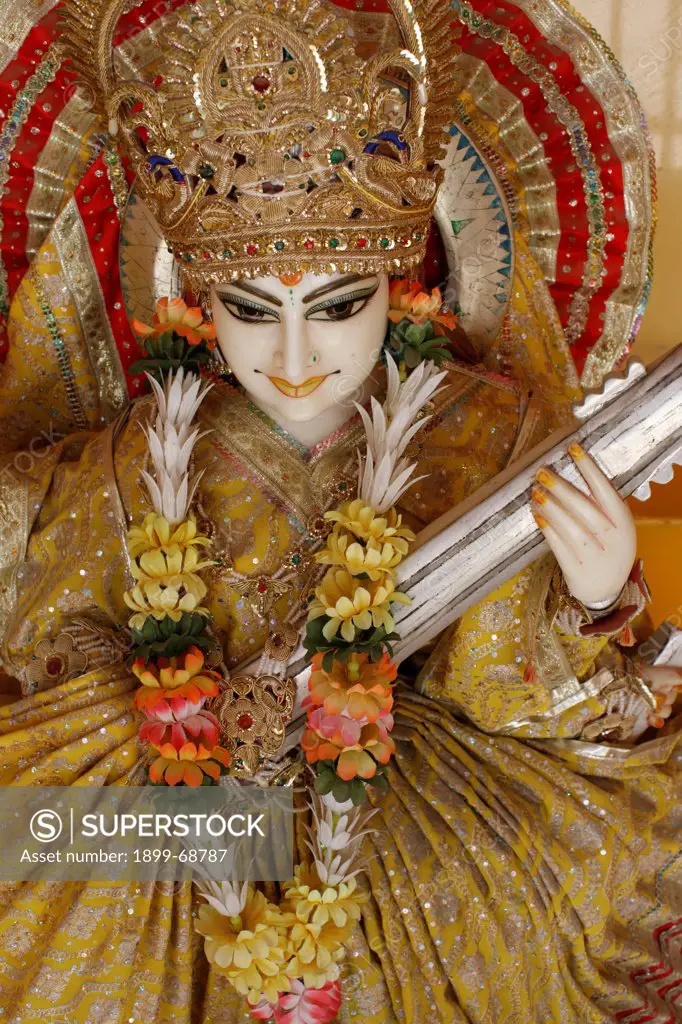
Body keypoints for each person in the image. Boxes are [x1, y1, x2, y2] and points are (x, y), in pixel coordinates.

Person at [0, 0, 680, 1021]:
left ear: (398, 281)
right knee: (43, 834)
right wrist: (212, 712)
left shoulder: (492, 432)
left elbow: (515, 697)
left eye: (335, 306)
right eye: (249, 311)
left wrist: (579, 599)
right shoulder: (149, 448)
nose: (293, 359)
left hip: (428, 851)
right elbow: (48, 598)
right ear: (194, 301)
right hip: (190, 843)